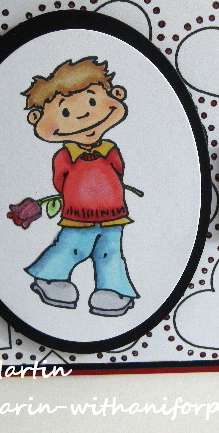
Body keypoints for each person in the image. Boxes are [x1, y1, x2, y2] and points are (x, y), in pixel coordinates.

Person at [21, 57, 138, 316]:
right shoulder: (65, 156)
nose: (83, 115)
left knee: (110, 252)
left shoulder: (110, 149)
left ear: (116, 95)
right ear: (37, 119)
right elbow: (60, 181)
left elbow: (117, 171)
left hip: (114, 215)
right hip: (77, 215)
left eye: (92, 102)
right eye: (64, 112)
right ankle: (50, 278)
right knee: (72, 247)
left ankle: (113, 289)